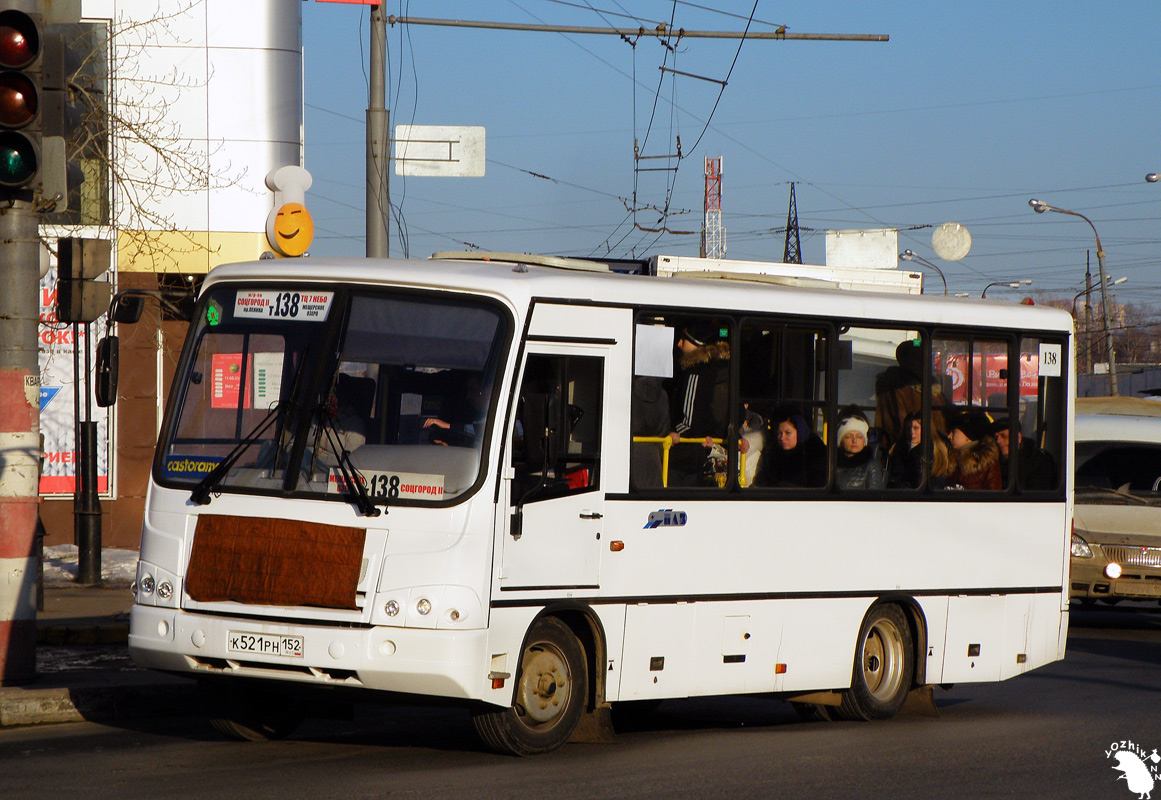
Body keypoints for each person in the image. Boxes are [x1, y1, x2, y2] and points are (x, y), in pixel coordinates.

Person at [666, 321, 730, 486]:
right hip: (702, 448)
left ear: (696, 344)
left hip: (684, 452)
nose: (679, 343)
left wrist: (668, 432)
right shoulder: (716, 370)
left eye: (684, 339)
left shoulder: (694, 372)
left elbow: (688, 421)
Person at [874, 339, 946, 453]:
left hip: (936, 451)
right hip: (910, 453)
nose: (922, 362)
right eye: (916, 358)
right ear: (905, 361)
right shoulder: (895, 390)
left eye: (923, 358)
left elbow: (946, 418)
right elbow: (900, 429)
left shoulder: (933, 388)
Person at [759, 406, 827, 488]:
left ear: (800, 431)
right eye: (779, 433)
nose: (782, 437)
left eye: (788, 432)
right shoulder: (772, 454)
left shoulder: (816, 454)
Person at [886, 411, 950, 489]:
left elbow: (926, 485)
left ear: (926, 429)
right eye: (908, 428)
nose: (911, 432)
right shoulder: (898, 449)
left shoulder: (933, 451)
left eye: (916, 428)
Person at [992, 417, 1057, 490]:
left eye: (1004, 436)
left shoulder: (1037, 462)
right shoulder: (992, 462)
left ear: (1018, 438)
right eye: (995, 437)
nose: (998, 441)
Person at [945, 408, 1001, 491]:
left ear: (968, 437)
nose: (949, 436)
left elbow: (993, 496)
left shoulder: (987, 463)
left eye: (954, 432)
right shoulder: (951, 459)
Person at [630, 375, 670, 490]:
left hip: (629, 452)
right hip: (653, 456)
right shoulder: (662, 395)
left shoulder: (628, 390)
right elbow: (664, 428)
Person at [835, 407, 885, 490]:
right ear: (840, 441)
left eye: (859, 437)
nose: (854, 440)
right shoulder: (830, 464)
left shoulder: (871, 466)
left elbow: (874, 497)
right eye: (848, 436)